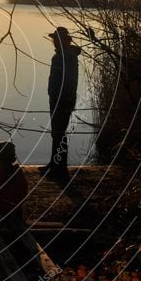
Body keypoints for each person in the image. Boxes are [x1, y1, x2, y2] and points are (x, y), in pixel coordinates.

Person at [40, 26, 81, 183]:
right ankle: (54, 164)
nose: (54, 43)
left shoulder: (66, 57)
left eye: (57, 40)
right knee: (57, 133)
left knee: (59, 134)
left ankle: (60, 169)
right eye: (54, 40)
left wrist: (61, 98)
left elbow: (68, 81)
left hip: (62, 100)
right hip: (58, 99)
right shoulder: (61, 56)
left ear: (63, 41)